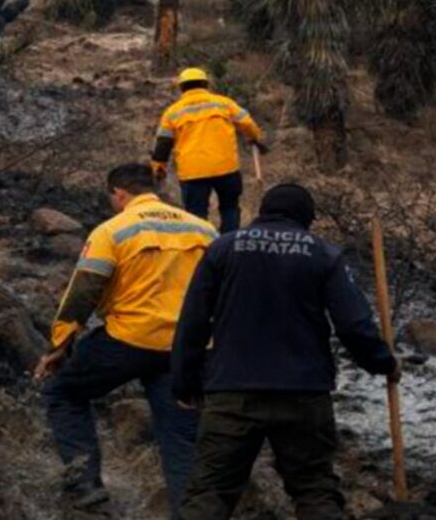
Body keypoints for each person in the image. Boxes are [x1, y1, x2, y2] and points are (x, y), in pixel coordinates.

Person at [171, 183, 400, 520]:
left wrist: (185, 382)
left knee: (210, 493)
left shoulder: (222, 249)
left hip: (231, 391)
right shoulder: (323, 254)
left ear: (263, 211)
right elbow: (352, 326)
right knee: (314, 489)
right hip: (304, 393)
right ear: (307, 218)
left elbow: (192, 322)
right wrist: (383, 363)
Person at [35, 163, 218, 515]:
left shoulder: (113, 230)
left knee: (63, 392)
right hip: (188, 349)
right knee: (180, 438)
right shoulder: (205, 229)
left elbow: (83, 291)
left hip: (128, 340)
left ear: (118, 193)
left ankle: (86, 484)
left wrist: (60, 345)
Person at [151, 67, 267, 234]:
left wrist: (158, 167)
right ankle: (229, 244)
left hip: (193, 173)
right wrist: (253, 138)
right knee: (230, 209)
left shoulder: (172, 112)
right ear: (206, 84)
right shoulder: (223, 103)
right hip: (226, 168)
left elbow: (163, 143)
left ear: (181, 88)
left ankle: (202, 250)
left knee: (196, 216)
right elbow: (247, 123)